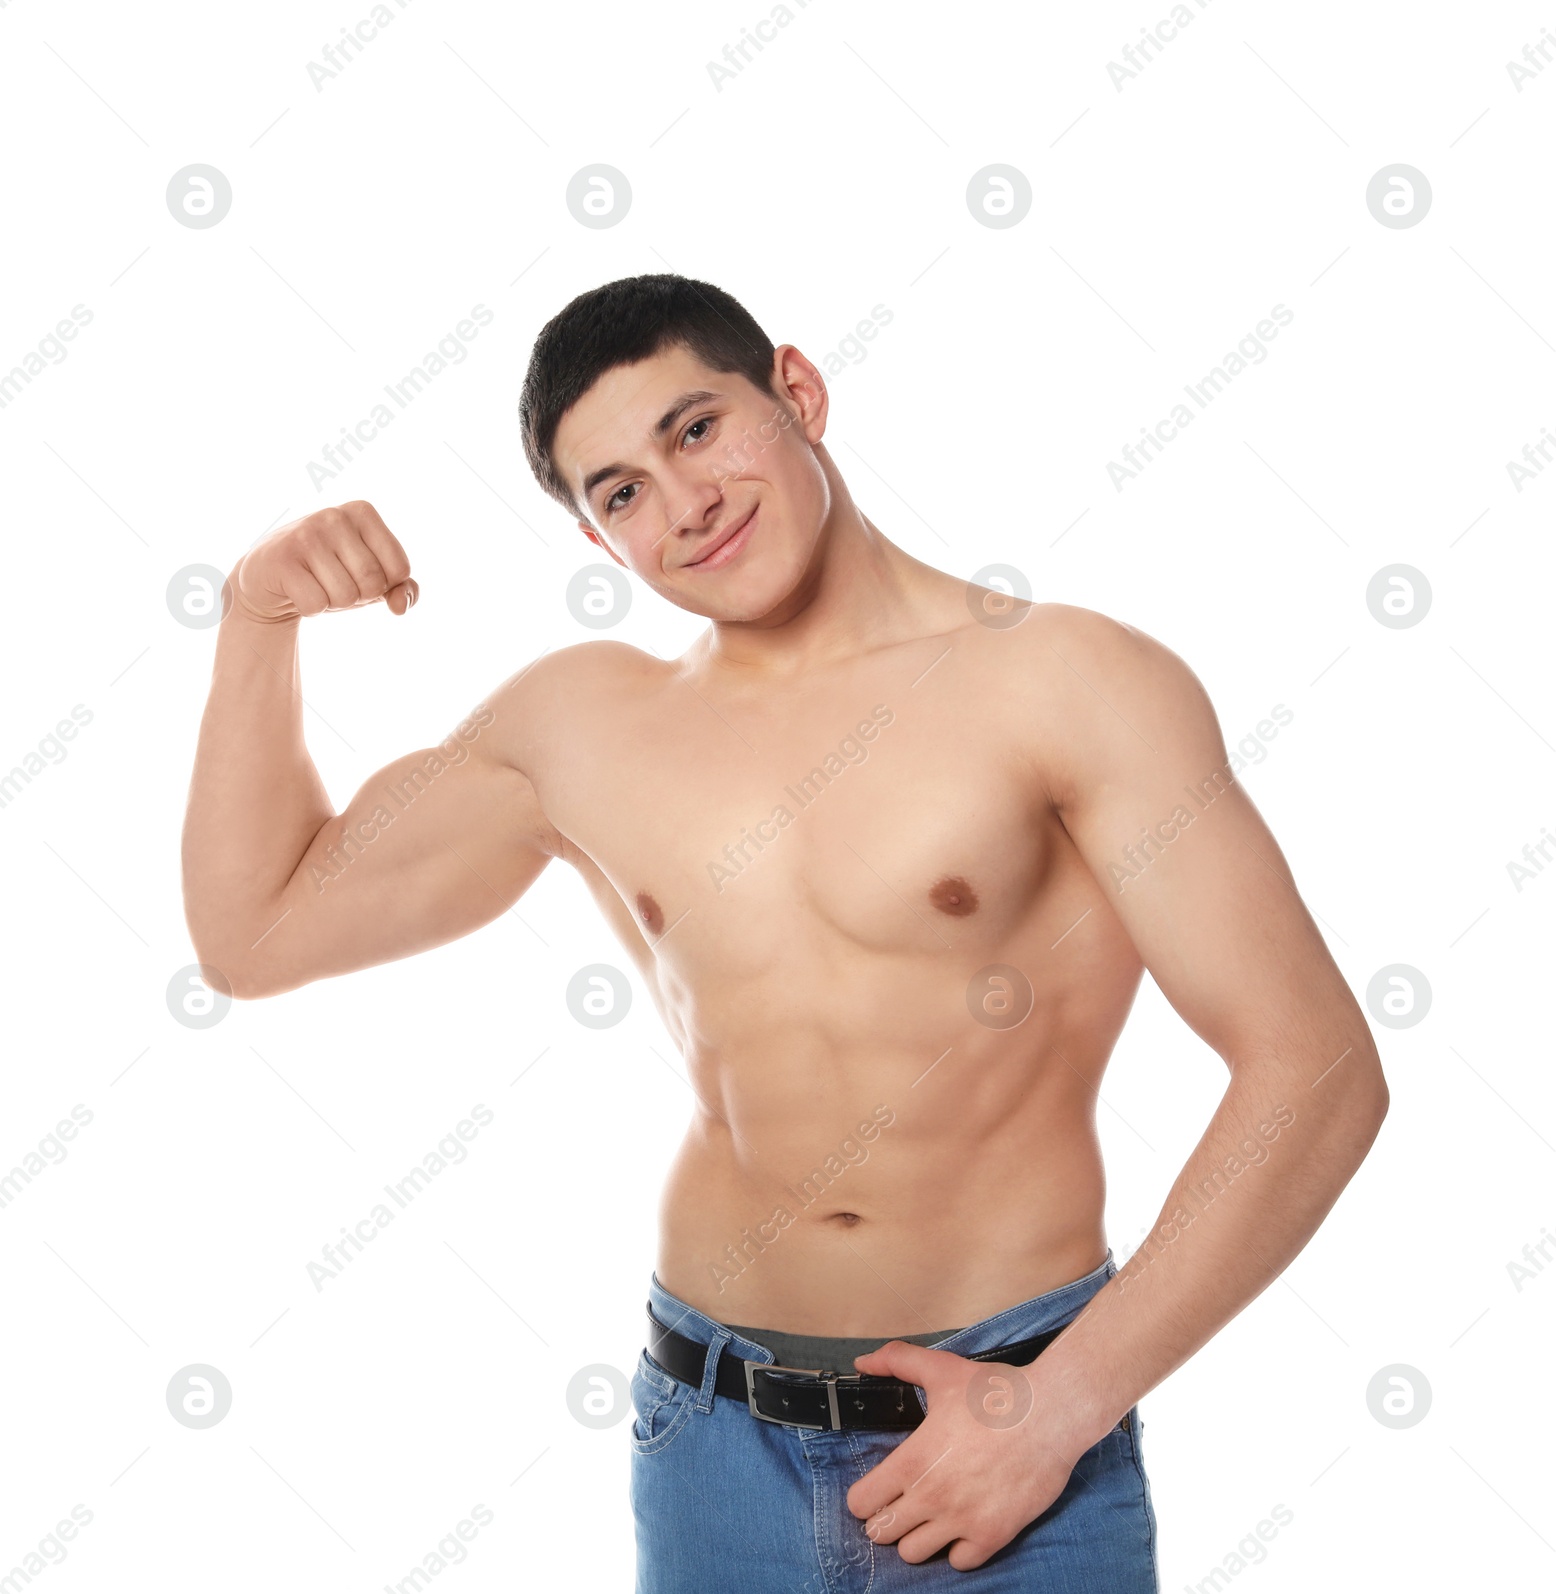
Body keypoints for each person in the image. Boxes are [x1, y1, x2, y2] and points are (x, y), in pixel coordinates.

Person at [181, 273, 1389, 1591]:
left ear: (797, 392)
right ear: (602, 544)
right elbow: (258, 932)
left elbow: (1315, 1065)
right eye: (622, 491)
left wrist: (1065, 1403)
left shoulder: (1067, 680)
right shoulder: (583, 724)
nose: (683, 502)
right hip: (712, 1436)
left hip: (1013, 1438)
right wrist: (256, 620)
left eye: (696, 429)